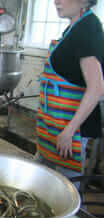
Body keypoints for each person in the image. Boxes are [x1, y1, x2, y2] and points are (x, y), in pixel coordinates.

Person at [36, 0, 104, 179]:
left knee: (65, 185)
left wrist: (69, 131)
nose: (56, 1)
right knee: (42, 176)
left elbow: (97, 88)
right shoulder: (74, 27)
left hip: (69, 127)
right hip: (54, 123)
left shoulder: (88, 29)